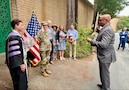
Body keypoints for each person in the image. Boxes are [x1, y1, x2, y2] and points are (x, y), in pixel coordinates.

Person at [87, 14, 116, 90]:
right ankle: (104, 84)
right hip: (104, 55)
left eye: (100, 20)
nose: (99, 21)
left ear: (106, 21)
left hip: (106, 55)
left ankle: (106, 88)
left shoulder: (108, 30)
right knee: (103, 72)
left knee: (105, 73)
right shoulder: (105, 28)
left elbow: (103, 44)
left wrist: (91, 41)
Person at [5, 19, 28, 90]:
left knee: (17, 82)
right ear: (16, 26)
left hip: (14, 63)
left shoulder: (12, 36)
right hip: (18, 64)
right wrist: (21, 64)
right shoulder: (14, 37)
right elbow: (15, 52)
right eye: (21, 25)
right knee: (21, 82)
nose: (23, 27)